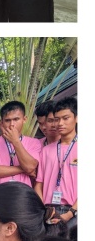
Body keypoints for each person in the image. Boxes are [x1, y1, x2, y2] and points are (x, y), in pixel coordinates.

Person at [34, 96, 77, 226]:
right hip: (49, 212)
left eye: (66, 118)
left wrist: (70, 213)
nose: (60, 123)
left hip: (74, 212)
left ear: (77, 118)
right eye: (57, 119)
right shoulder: (46, 150)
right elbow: (38, 184)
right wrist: (44, 210)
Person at [0, 100, 42, 188]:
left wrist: (15, 141)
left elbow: (30, 167)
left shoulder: (34, 143)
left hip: (22, 194)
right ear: (1, 122)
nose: (12, 124)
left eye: (16, 119)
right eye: (7, 120)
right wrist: (23, 169)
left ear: (24, 119)